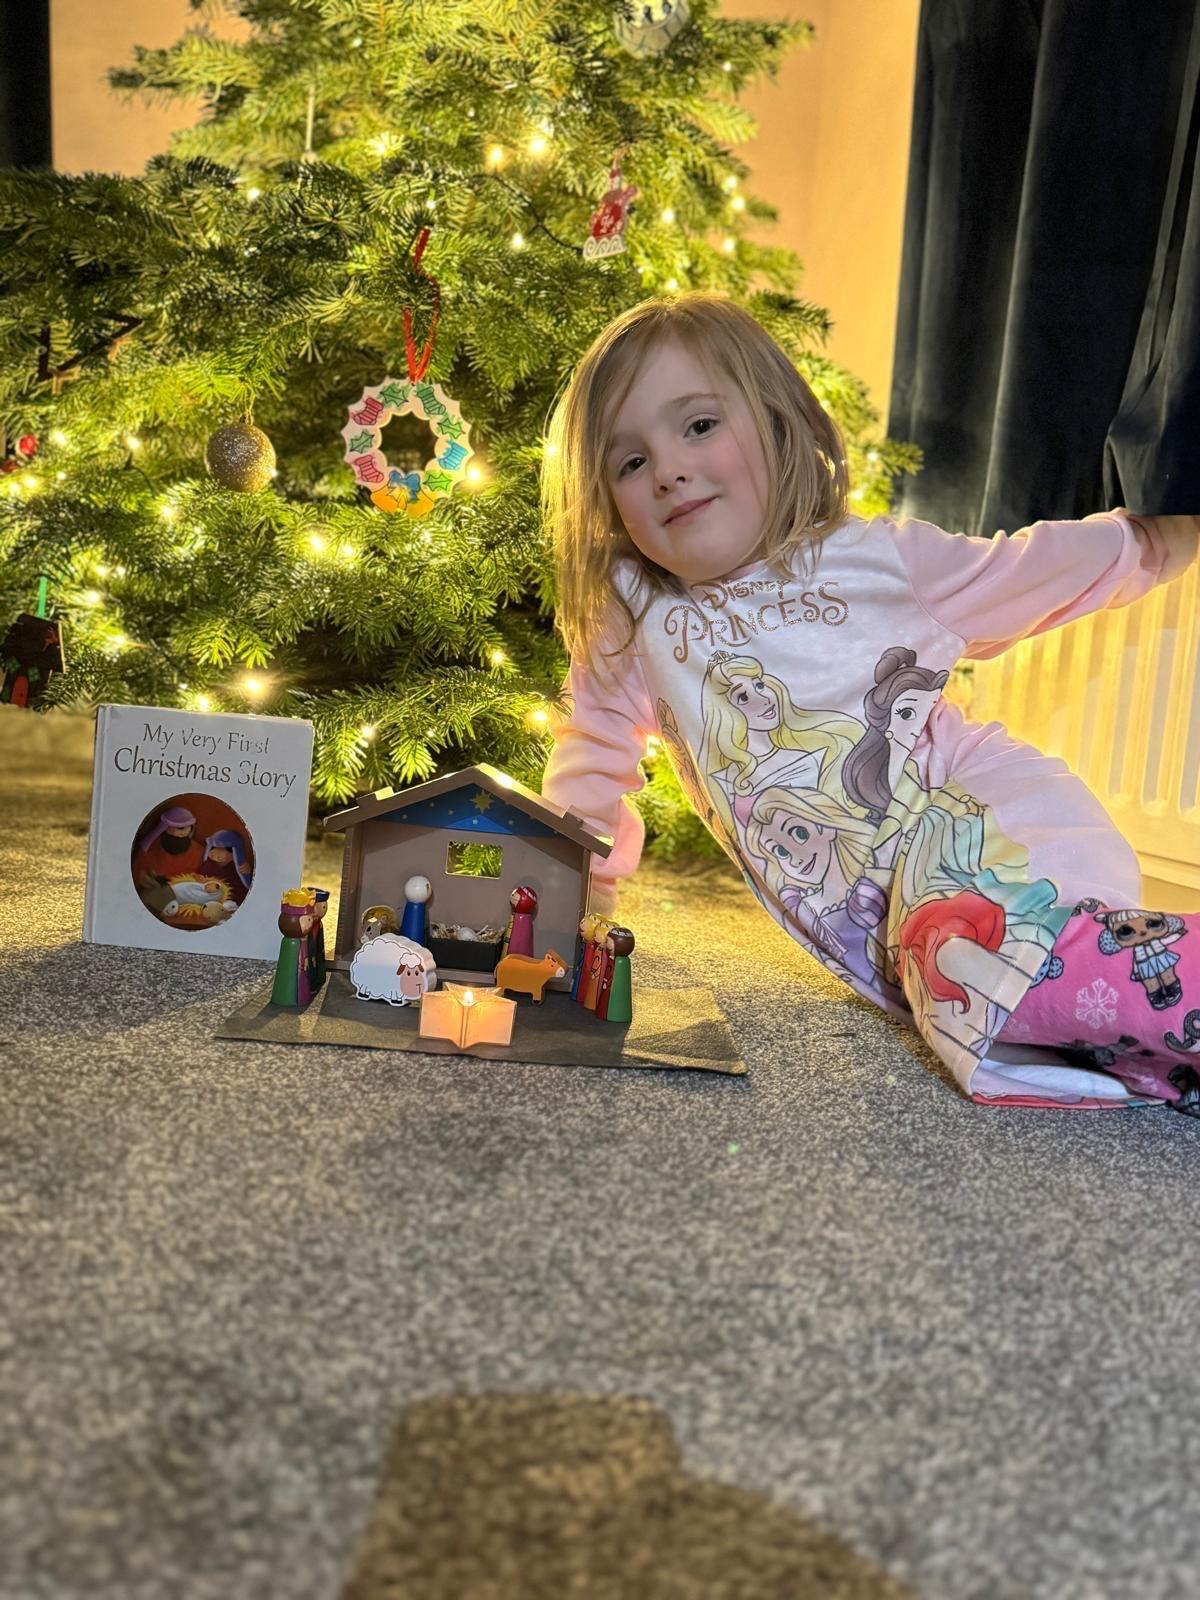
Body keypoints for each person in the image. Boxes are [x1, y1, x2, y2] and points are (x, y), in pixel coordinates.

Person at [539, 290, 1200, 1114]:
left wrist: (1170, 532)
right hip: (908, 923)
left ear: (777, 424)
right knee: (997, 1020)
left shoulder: (874, 559)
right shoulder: (634, 613)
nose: (667, 469)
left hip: (986, 825)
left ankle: (1154, 981)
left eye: (699, 425)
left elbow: (1037, 567)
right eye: (630, 463)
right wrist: (566, 902)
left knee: (987, 977)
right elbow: (593, 753)